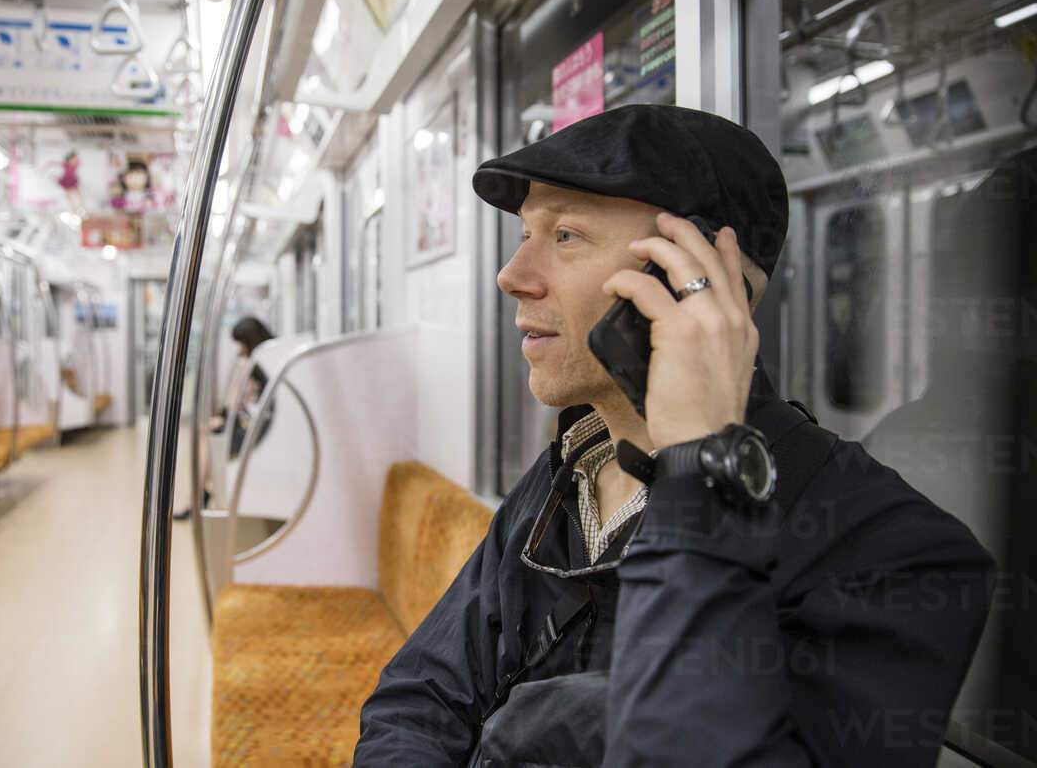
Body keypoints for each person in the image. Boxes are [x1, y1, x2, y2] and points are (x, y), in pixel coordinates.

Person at [354, 105, 995, 766]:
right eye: (526, 234)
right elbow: (416, 701)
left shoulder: (895, 556)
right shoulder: (568, 475)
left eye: (567, 235)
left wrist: (696, 476)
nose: (512, 274)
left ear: (699, 282)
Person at [174, 316, 274, 520]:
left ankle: (195, 498)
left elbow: (234, 401)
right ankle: (197, 495)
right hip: (260, 422)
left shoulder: (247, 363)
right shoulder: (269, 358)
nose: (239, 347)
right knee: (209, 438)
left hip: (253, 427)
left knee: (209, 439)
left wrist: (221, 419)